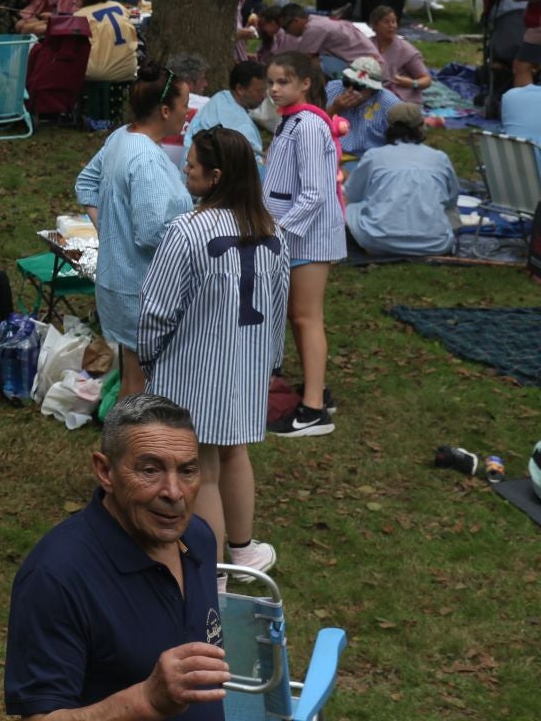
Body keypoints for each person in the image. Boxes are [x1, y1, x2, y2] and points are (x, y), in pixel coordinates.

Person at [3, 394, 230, 721]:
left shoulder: (198, 538)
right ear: (105, 471)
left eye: (187, 471)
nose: (174, 492)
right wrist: (146, 700)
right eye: (150, 470)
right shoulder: (56, 577)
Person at [136, 128, 289, 579]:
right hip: (247, 365)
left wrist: (149, 360)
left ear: (215, 176)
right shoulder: (273, 232)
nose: (185, 167)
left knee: (202, 469)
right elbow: (279, 306)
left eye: (192, 163)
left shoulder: (187, 230)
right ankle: (242, 551)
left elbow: (156, 310)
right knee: (235, 452)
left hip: (194, 369)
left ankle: (213, 568)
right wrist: (270, 363)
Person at [75, 65, 193, 396]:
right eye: (184, 104)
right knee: (144, 386)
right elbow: (153, 232)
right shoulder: (146, 161)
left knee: (133, 378)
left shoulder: (121, 136)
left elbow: (85, 183)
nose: (188, 112)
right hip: (142, 291)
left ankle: (121, 445)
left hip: (120, 283)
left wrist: (110, 231)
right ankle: (132, 446)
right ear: (166, 110)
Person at [262, 52, 345, 438]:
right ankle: (316, 390)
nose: (274, 90)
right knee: (299, 316)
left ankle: (314, 410)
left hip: (308, 237)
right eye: (271, 83)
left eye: (282, 82)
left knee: (307, 316)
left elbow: (314, 193)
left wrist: (279, 231)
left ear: (305, 84)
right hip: (295, 236)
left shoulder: (309, 125)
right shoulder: (289, 122)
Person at [344, 104, 459, 257]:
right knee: (451, 214)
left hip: (378, 241)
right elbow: (451, 201)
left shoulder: (374, 156)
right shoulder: (439, 158)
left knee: (350, 209)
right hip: (435, 244)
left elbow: (352, 195)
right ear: (421, 126)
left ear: (389, 126)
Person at [267, 2, 381, 75]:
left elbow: (302, 60)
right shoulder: (315, 20)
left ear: (296, 21)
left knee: (311, 65)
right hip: (363, 60)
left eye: (286, 27)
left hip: (367, 67)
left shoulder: (313, 29)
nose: (286, 32)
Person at [186, 58, 267, 155]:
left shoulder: (221, 98)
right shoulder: (242, 127)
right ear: (240, 89)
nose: (264, 96)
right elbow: (255, 165)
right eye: (259, 91)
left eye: (264, 90)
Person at [368, 5, 431, 100]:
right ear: (375, 25)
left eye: (393, 22)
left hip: (399, 97)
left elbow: (426, 80)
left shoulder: (406, 50)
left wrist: (412, 83)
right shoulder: (367, 45)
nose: (391, 26)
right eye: (386, 22)